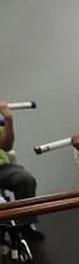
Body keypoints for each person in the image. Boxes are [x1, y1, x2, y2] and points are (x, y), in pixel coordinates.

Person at [0, 100, 42, 240]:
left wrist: (8, 119)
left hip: (1, 168)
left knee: (24, 179)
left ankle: (26, 224)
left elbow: (6, 146)